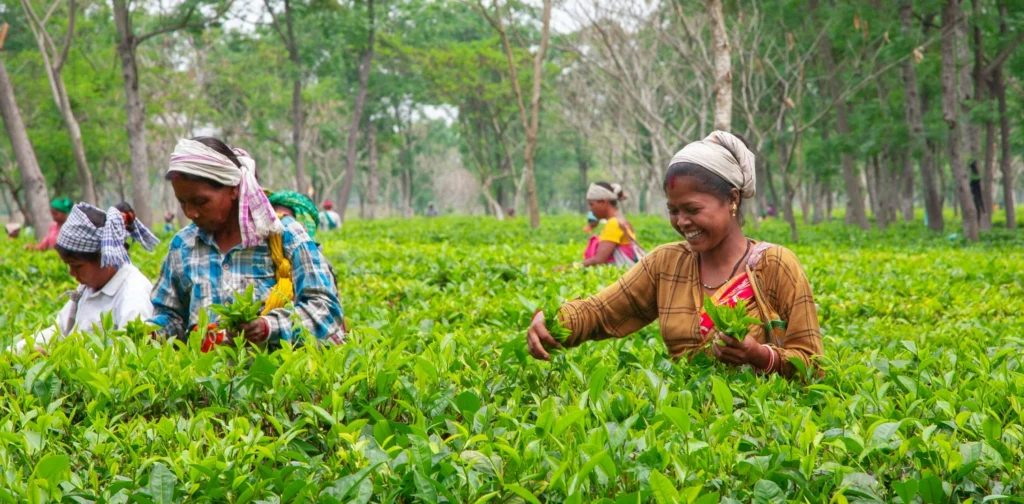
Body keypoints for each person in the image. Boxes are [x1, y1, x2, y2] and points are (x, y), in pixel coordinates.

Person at [526, 131, 822, 377]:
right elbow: (601, 311)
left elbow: (815, 365)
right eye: (673, 210)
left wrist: (761, 356)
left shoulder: (775, 265)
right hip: (686, 429)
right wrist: (553, 320)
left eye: (692, 210)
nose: (681, 222)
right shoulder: (666, 264)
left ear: (732, 199)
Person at [151, 137, 345, 347]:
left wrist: (268, 327)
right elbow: (170, 314)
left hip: (274, 377)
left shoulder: (285, 235)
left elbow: (326, 310)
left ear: (233, 188)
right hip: (205, 378)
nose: (191, 213)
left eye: (201, 202)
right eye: (182, 203)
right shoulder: (183, 245)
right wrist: (152, 332)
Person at [11, 202, 159, 352]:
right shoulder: (88, 287)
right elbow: (59, 330)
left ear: (105, 258)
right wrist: (17, 351)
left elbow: (127, 354)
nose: (72, 273)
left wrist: (61, 359)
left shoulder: (133, 293)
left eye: (77, 266)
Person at [578, 182, 644, 267]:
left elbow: (599, 260)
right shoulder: (621, 220)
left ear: (603, 202)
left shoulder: (613, 223)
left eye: (592, 204)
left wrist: (569, 267)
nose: (591, 209)